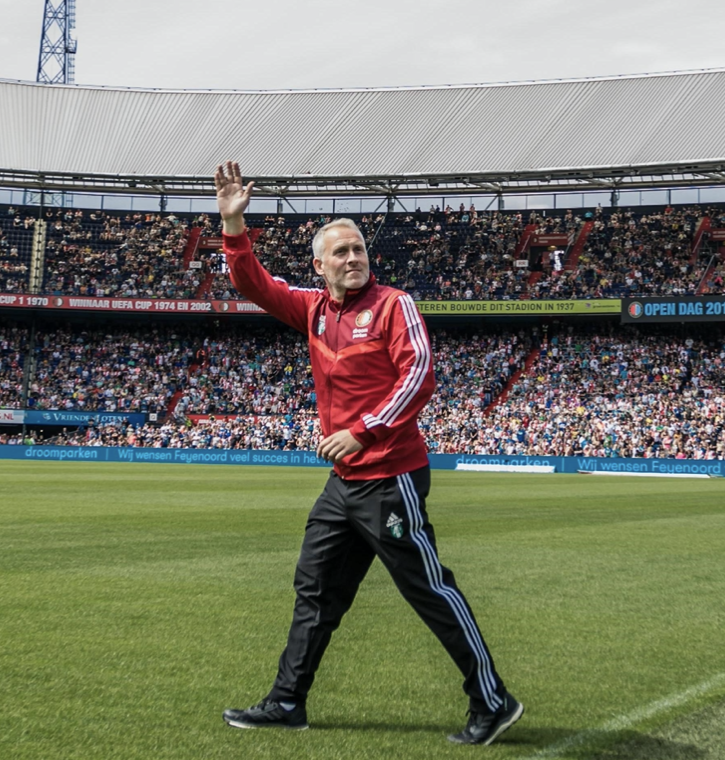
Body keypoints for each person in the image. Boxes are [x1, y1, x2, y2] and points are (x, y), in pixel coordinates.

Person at [214, 161, 523, 746]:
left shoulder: (393, 305)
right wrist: (234, 224)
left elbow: (420, 375)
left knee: (428, 588)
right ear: (320, 266)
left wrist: (365, 429)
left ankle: (492, 699)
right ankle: (286, 701)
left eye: (359, 249)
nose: (354, 258)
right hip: (343, 484)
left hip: (391, 474)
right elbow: (253, 284)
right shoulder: (311, 309)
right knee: (315, 590)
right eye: (342, 252)